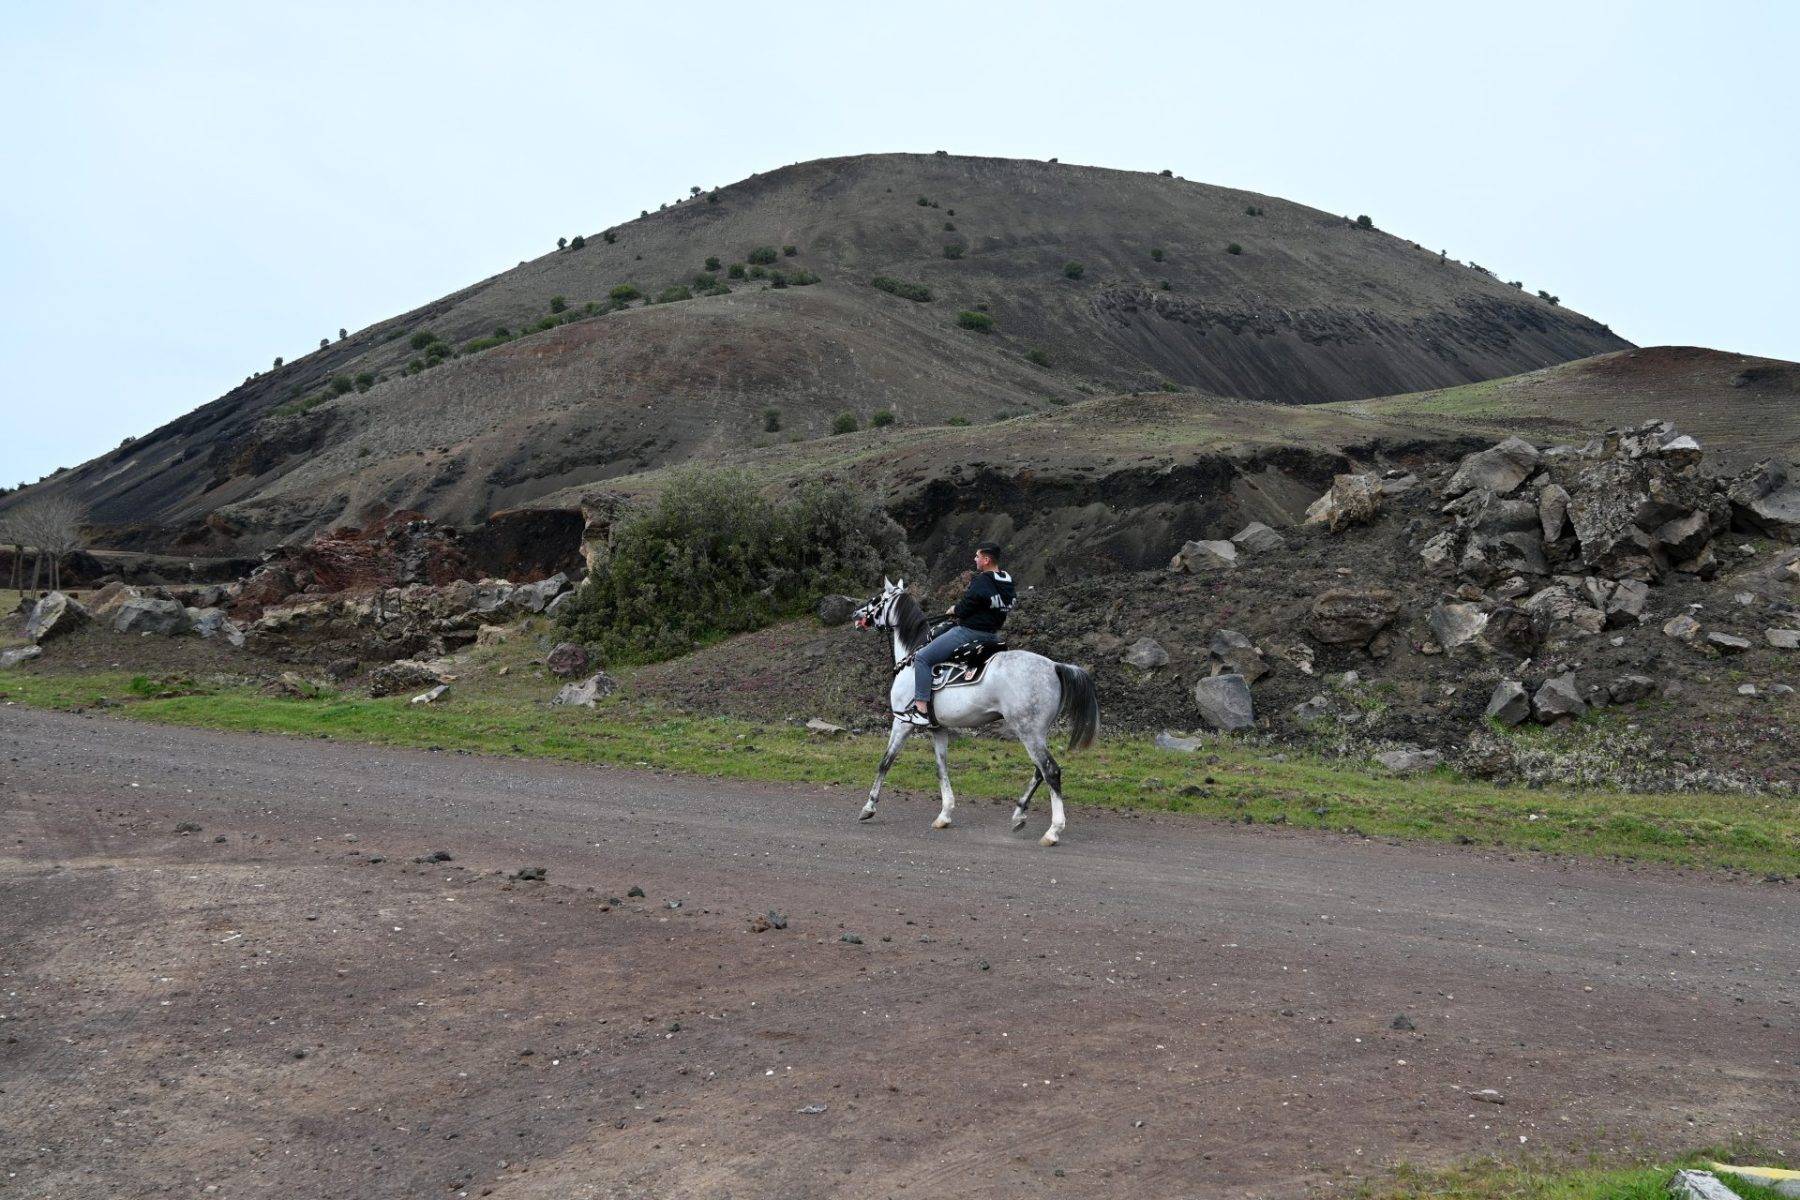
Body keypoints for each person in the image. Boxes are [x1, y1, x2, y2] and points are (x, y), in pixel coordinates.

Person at [898, 542, 1015, 726]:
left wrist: (954, 609)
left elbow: (967, 606)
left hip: (969, 632)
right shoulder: (1007, 581)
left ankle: (921, 710)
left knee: (922, 657)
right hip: (993, 635)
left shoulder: (982, 580)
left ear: (986, 559)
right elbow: (999, 604)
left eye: (977, 556)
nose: (975, 559)